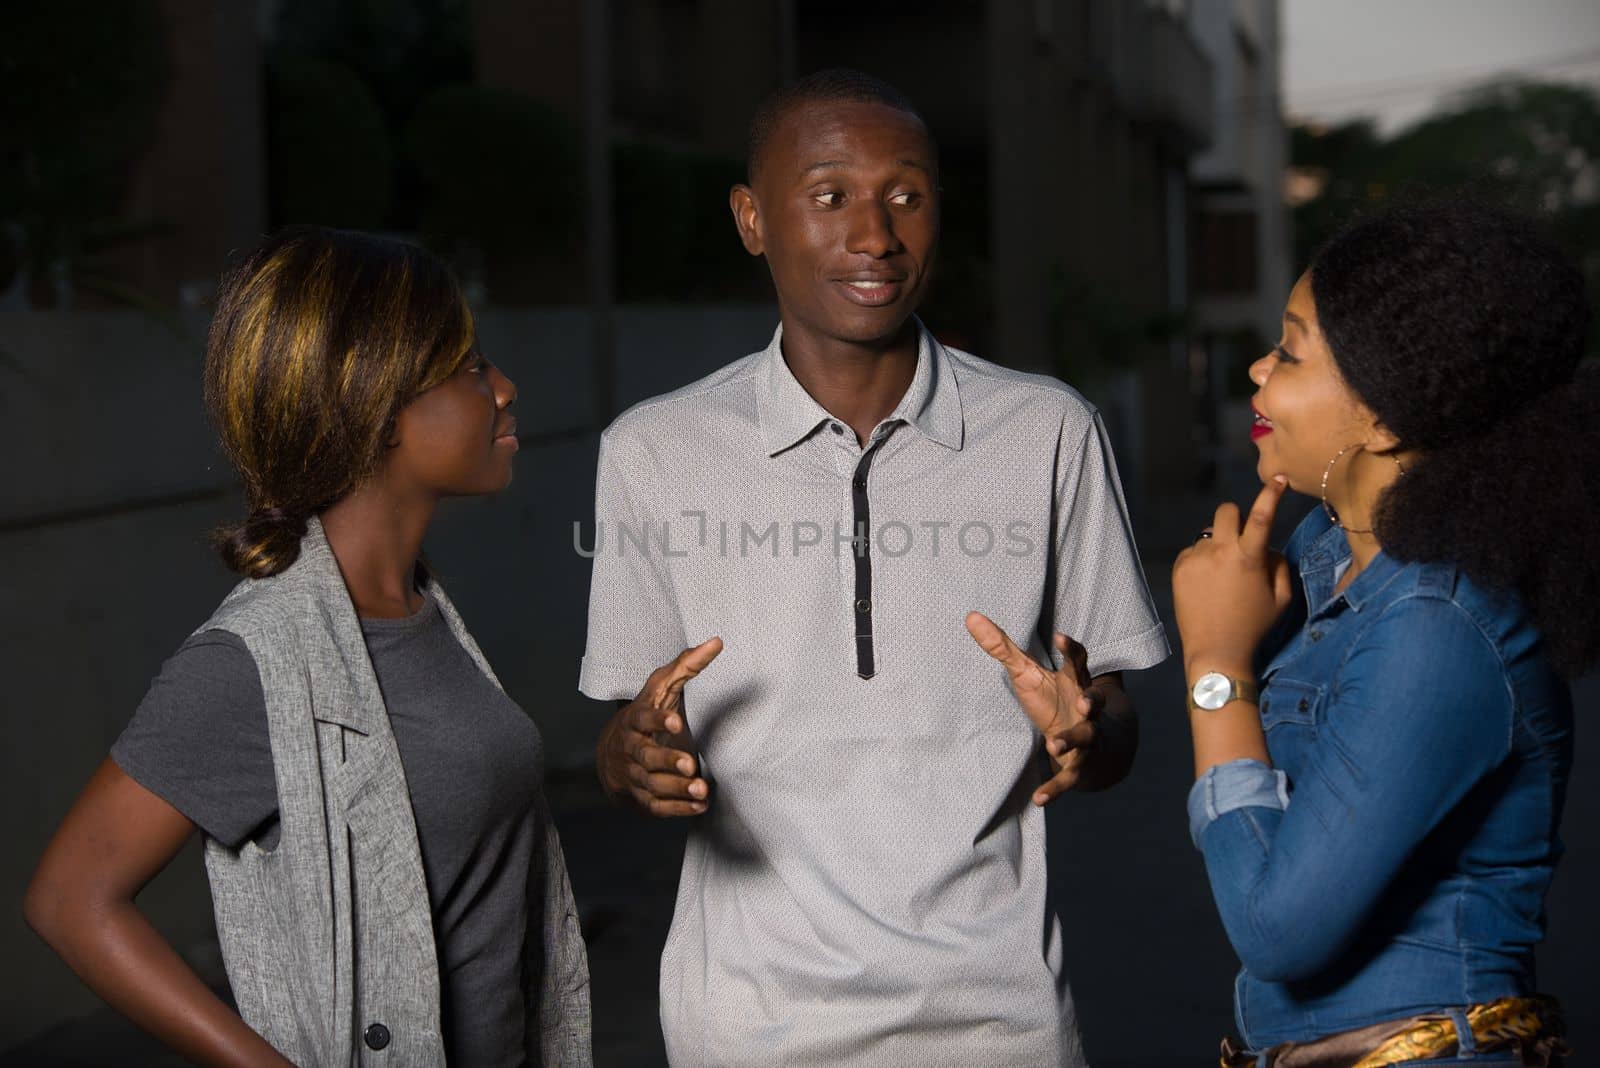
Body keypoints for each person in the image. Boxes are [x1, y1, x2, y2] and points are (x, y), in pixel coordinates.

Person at [580, 69, 1168, 1066]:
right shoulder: (652, 450)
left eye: (906, 194)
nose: (874, 234)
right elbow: (620, 741)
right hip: (746, 1027)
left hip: (1001, 1024)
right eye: (829, 195)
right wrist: (630, 761)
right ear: (751, 218)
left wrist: (1084, 735)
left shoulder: (1047, 431)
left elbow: (1110, 730)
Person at [24, 227, 591, 1067]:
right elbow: (71, 900)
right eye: (471, 367)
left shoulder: (422, 609)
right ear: (376, 402)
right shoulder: (256, 659)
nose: (504, 388)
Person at [1171, 201, 1596, 1065]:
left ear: (1384, 419)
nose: (1258, 369)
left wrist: (1215, 666)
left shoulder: (1438, 624)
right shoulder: (1327, 556)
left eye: (1289, 351)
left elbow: (1278, 928)